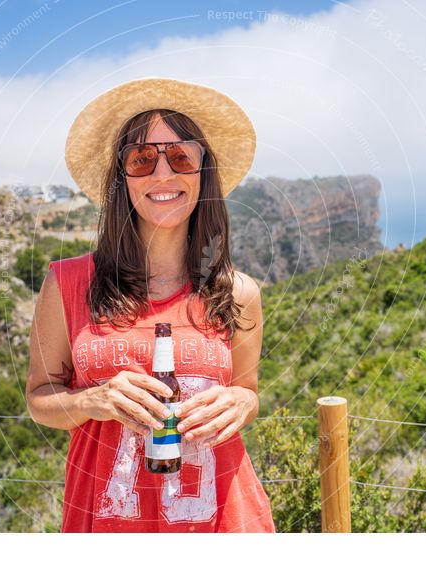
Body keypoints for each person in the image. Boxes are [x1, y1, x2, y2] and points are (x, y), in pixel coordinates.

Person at [25, 77, 275, 532]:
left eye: (180, 156)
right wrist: (94, 400)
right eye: (142, 160)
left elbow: (248, 393)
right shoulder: (67, 283)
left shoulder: (239, 293)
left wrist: (241, 401)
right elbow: (40, 400)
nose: (163, 175)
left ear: (204, 172)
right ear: (122, 178)